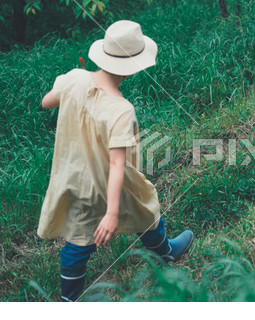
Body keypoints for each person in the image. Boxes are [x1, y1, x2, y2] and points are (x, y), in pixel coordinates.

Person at [37, 20, 194, 302]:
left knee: (79, 239)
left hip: (72, 177)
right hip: (108, 184)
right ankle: (166, 252)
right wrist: (110, 213)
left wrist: (71, 83)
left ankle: (68, 300)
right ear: (133, 67)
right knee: (146, 207)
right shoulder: (122, 109)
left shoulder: (75, 77)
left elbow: (46, 102)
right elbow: (117, 165)